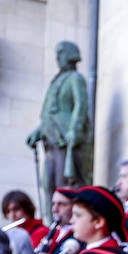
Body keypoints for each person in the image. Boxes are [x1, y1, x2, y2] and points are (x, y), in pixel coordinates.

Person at [27, 40, 92, 192]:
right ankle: (50, 217)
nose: (57, 57)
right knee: (47, 184)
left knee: (64, 185)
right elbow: (50, 113)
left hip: (65, 139)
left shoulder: (75, 78)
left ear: (70, 55)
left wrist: (74, 130)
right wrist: (38, 132)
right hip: (50, 140)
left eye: (60, 53)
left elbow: (81, 105)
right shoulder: (56, 81)